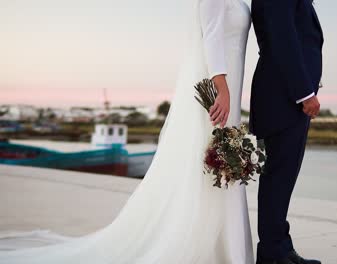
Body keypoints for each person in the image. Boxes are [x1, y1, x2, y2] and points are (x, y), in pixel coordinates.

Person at [0, 0, 254, 263]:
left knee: (224, 163)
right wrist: (222, 91)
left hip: (231, 87)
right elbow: (211, 38)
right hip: (220, 89)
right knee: (210, 162)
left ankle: (227, 245)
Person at [250, 0, 324, 263]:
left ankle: (279, 247)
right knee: (278, 178)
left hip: (286, 97)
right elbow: (283, 39)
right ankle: (272, 252)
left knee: (282, 179)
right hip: (283, 97)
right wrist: (304, 93)